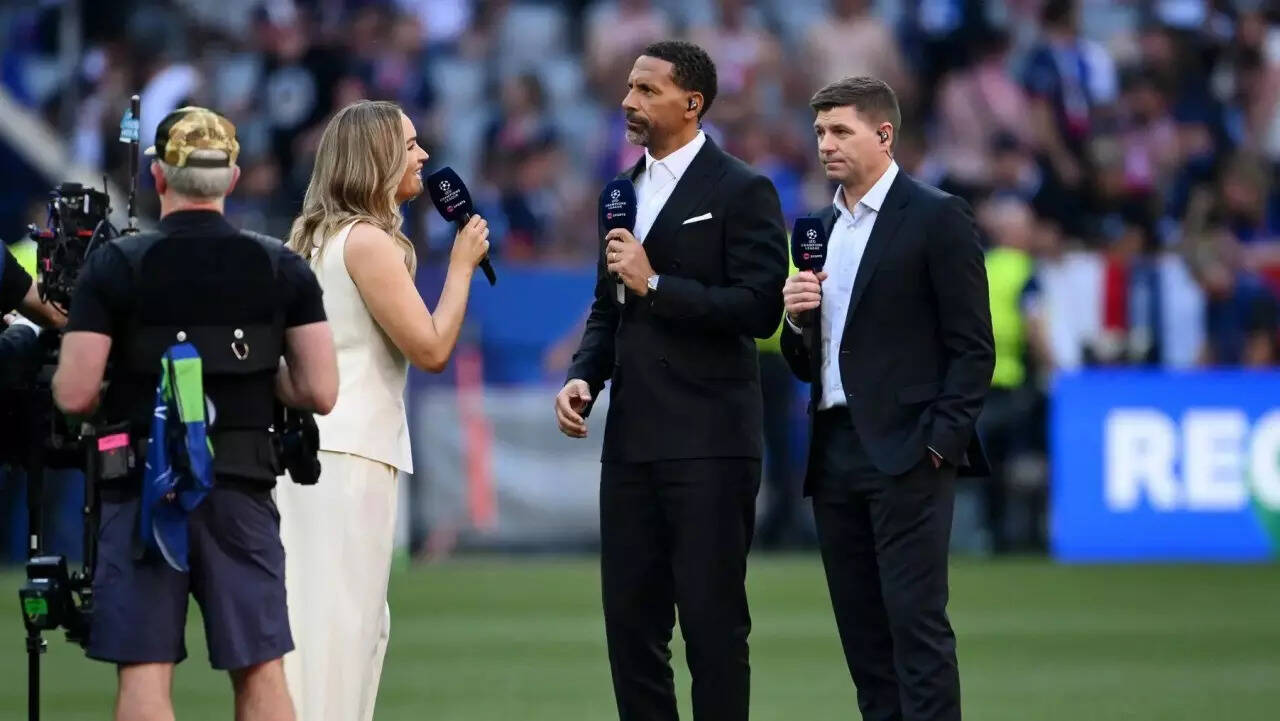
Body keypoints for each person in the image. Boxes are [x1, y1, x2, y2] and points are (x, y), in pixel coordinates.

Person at [50, 106, 339, 721]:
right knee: (261, 670)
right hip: (241, 482)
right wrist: (258, 379)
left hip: (142, 487)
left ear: (158, 176)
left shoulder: (117, 264)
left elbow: (74, 393)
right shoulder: (279, 266)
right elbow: (320, 389)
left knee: (144, 673)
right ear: (232, 178)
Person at [553, 40, 788, 721]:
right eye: (630, 88)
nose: (629, 101)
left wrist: (655, 284)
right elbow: (609, 306)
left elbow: (760, 309)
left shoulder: (742, 189)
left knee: (714, 630)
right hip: (632, 444)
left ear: (692, 102)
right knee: (631, 631)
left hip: (711, 442)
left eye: (647, 90)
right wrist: (583, 377)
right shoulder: (619, 192)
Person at [780, 77, 994, 721]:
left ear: (884, 134)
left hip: (909, 450)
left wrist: (939, 444)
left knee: (916, 628)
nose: (826, 144)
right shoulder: (816, 229)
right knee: (864, 640)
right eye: (820, 132)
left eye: (840, 131)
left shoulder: (936, 215)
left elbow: (973, 347)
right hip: (834, 451)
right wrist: (794, 320)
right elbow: (808, 361)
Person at [278, 99, 490, 721]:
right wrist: (461, 267)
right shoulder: (367, 242)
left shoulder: (312, 238)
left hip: (315, 452)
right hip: (347, 455)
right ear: (376, 158)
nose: (424, 155)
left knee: (322, 626)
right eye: (410, 144)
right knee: (343, 631)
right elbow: (431, 348)